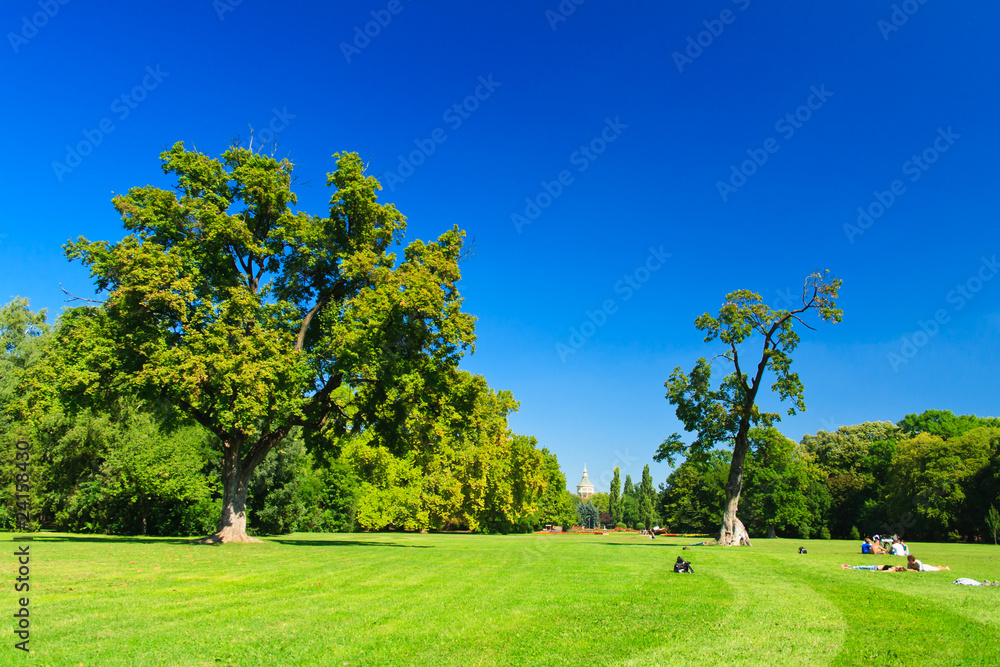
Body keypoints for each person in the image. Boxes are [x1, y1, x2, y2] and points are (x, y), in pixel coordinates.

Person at [841, 564, 905, 571]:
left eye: (900, 566)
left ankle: (846, 568)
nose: (899, 565)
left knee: (861, 567)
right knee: (862, 567)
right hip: (875, 566)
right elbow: (907, 569)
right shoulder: (893, 568)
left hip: (874, 568)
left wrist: (874, 571)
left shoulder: (892, 569)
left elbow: (885, 572)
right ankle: (848, 567)